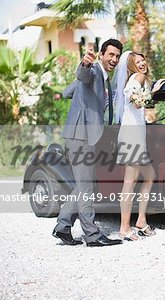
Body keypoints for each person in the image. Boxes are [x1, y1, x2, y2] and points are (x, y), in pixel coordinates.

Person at [52, 39, 124, 247]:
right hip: (81, 134)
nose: (114, 59)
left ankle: (63, 226)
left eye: (117, 56)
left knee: (86, 184)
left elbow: (67, 92)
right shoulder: (93, 71)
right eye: (110, 54)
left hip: (83, 134)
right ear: (101, 55)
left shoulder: (101, 78)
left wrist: (79, 96)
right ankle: (92, 235)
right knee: (86, 187)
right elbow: (83, 74)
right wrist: (84, 64)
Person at [115, 51, 165, 240]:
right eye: (137, 61)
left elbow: (135, 102)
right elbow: (137, 103)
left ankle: (141, 220)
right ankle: (124, 228)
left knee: (149, 175)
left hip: (133, 133)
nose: (143, 63)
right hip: (132, 134)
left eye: (143, 59)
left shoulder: (134, 79)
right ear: (131, 65)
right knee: (129, 182)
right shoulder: (139, 76)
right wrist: (153, 91)